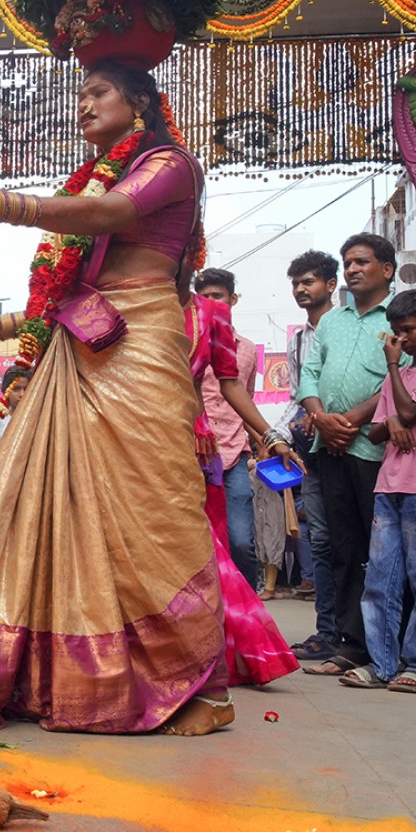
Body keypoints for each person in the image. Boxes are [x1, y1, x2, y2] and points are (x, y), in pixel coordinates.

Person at [0, 61, 230, 735]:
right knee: (44, 507)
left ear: (140, 101)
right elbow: (66, 293)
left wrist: (1, 203)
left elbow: (113, 214)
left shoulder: (170, 164)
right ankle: (58, 680)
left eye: (99, 92)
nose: (83, 105)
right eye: (79, 95)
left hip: (141, 342)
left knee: (154, 511)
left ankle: (204, 687)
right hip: (79, 345)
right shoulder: (91, 178)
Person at [338, 290, 416, 693]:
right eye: (396, 332)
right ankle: (382, 663)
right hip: (389, 484)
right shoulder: (401, 375)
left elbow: (408, 412)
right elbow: (377, 431)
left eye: (409, 330)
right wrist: (392, 419)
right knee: (380, 578)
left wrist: (392, 372)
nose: (401, 339)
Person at [184, 291, 302, 686]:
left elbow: (233, 387)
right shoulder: (134, 300)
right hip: (142, 443)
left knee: (220, 546)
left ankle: (217, 649)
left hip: (203, 448)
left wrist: (271, 437)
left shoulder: (209, 316)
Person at [296, 233, 398, 675]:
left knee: (384, 549)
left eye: (362, 262)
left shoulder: (399, 315)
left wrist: (350, 420)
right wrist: (321, 418)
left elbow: (401, 377)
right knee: (343, 548)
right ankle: (351, 646)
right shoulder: (332, 322)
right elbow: (310, 373)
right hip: (330, 446)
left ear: (387, 270)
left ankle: (389, 648)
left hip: (374, 448)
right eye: (348, 263)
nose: (353, 269)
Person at [192, 268, 260, 589]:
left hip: (234, 455)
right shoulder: (189, 342)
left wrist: (268, 440)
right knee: (200, 540)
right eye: (203, 297)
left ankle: (248, 606)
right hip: (195, 453)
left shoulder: (247, 349)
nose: (210, 302)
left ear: (233, 299)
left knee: (241, 540)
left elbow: (245, 400)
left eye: (217, 296)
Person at [285, 250, 337, 622]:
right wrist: (276, 433)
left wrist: (323, 417)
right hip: (313, 448)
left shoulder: (347, 326)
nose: (300, 289)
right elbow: (295, 396)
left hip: (351, 441)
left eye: (308, 281)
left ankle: (358, 631)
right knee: (319, 537)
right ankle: (327, 627)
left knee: (353, 537)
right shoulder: (298, 340)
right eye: (296, 284)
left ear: (330, 285)